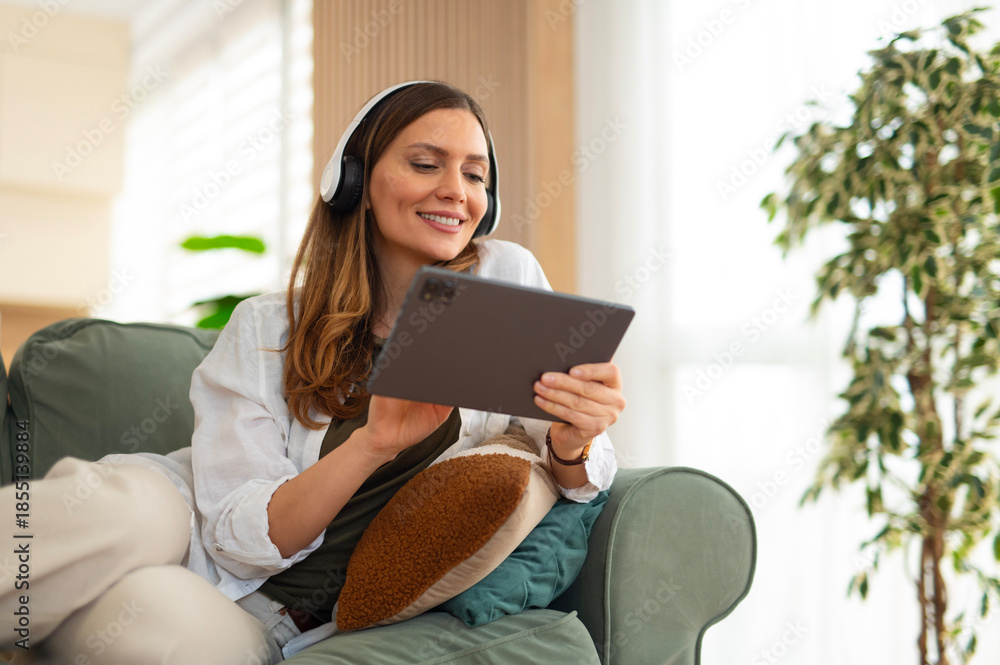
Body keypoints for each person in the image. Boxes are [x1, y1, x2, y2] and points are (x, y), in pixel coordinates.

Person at [0, 80, 625, 664]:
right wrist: (368, 447)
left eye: (474, 174)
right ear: (354, 181)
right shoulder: (267, 327)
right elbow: (233, 534)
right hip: (190, 513)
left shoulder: (503, 276)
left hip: (270, 612)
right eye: (425, 164)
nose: (456, 191)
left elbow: (570, 467)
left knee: (147, 630)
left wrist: (574, 441)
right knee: (125, 514)